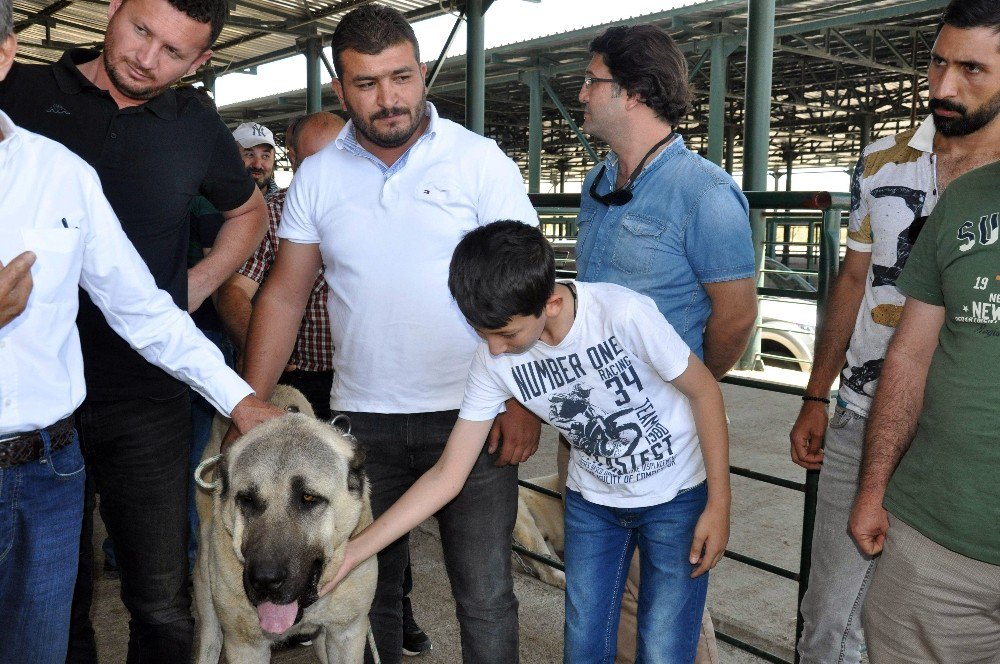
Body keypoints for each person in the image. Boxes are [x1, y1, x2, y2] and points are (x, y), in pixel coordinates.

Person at [235, 5, 541, 663]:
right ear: (340, 88)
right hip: (362, 424)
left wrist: (521, 400)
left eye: (401, 77)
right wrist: (250, 404)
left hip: (475, 413)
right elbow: (285, 294)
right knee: (364, 590)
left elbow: (526, 291)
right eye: (367, 83)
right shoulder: (319, 175)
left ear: (422, 72)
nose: (388, 98)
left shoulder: (478, 161)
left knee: (485, 593)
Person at [0, 4, 282, 661]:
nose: (146, 57)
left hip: (85, 430)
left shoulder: (61, 172)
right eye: (140, 31)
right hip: (55, 416)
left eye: (173, 51)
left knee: (151, 597)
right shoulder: (30, 92)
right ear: (116, 9)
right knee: (60, 615)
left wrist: (234, 386)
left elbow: (145, 305)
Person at [327, 220, 731, 664]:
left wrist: (719, 504)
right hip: (592, 502)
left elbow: (705, 391)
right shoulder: (494, 360)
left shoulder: (624, 314)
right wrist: (354, 551)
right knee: (583, 641)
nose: (496, 350)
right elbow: (447, 474)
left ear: (552, 302)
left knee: (664, 645)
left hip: (676, 495)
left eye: (507, 335)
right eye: (484, 336)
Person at [789, 1, 1000, 660]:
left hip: (962, 447)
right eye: (937, 62)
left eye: (971, 69)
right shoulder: (883, 158)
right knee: (829, 619)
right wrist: (817, 393)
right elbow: (853, 280)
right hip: (865, 417)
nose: (943, 85)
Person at [571, 24, 756, 663]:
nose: (582, 92)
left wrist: (690, 389)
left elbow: (734, 319)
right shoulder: (597, 191)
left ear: (633, 93)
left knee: (669, 613)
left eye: (593, 81)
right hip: (597, 437)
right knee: (617, 602)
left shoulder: (705, 195)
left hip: (667, 445)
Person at [218, 112, 343, 420]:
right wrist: (264, 352)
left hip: (367, 378)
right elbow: (234, 291)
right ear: (293, 157)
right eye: (314, 162)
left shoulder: (377, 211)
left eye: (338, 159)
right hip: (301, 379)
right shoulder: (272, 216)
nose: (327, 173)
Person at [234, 120, 281, 199]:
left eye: (265, 156)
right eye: (250, 155)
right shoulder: (212, 203)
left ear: (274, 161)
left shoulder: (287, 203)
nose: (257, 165)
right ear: (231, 157)